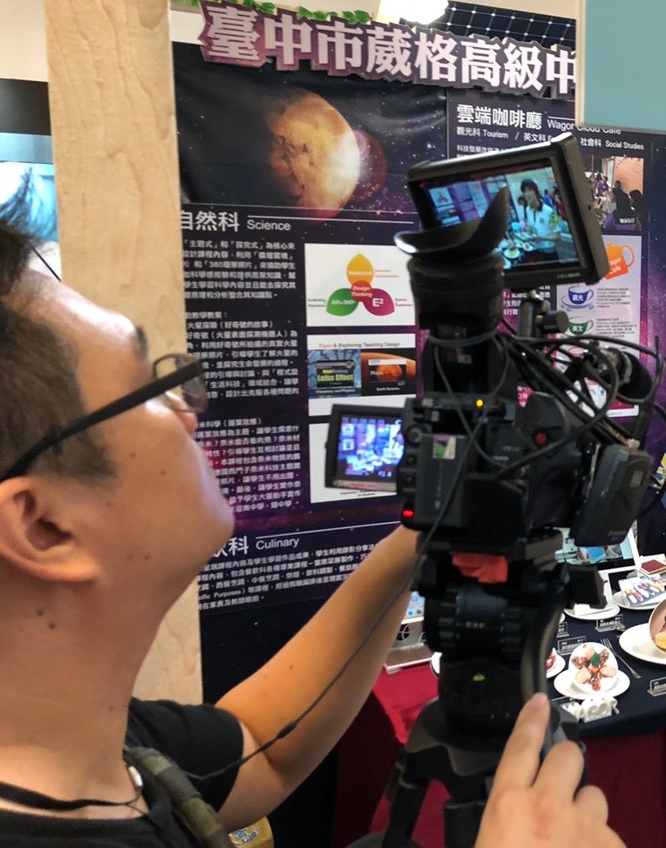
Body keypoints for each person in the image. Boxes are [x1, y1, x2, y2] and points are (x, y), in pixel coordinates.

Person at [0, 204, 621, 846]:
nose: (188, 411)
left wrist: (440, 520)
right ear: (44, 526)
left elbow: (262, 748)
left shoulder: (103, 747)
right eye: (147, 386)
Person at [518, 179, 559, 250]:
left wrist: (542, 238)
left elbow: (558, 236)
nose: (527, 194)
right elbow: (533, 227)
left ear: (536, 192)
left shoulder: (550, 211)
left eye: (530, 190)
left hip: (549, 251)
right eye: (525, 191)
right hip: (534, 249)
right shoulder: (527, 210)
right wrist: (528, 229)